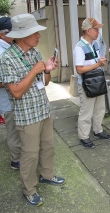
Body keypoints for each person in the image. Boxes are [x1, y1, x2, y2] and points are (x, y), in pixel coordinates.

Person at [0, 14, 65, 206]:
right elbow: (16, 92)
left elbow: (44, 83)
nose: (38, 36)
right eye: (34, 32)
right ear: (21, 35)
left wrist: (47, 70)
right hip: (26, 115)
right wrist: (34, 71)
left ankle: (47, 174)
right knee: (29, 154)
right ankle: (28, 189)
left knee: (48, 146)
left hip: (42, 109)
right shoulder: (7, 58)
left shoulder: (35, 53)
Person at [73, 18, 110, 149]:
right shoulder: (79, 47)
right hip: (87, 83)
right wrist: (98, 64)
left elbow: (92, 62)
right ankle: (84, 137)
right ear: (88, 31)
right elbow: (79, 69)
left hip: (96, 80)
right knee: (86, 112)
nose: (98, 32)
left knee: (100, 108)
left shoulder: (94, 44)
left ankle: (98, 130)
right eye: (96, 29)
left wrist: (99, 61)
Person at [0, 17, 22, 170]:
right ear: (2, 34)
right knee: (13, 131)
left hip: (18, 98)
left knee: (19, 130)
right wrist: (14, 81)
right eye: (12, 32)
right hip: (7, 101)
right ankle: (16, 161)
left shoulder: (11, 47)